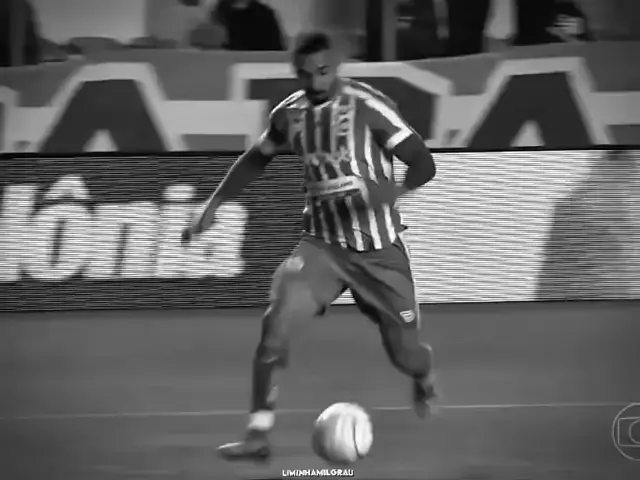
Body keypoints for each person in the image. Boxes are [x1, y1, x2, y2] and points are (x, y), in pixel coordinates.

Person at [181, 31, 438, 462]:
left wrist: (389, 194)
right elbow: (257, 157)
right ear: (296, 73)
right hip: (322, 247)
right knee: (276, 321)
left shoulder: (368, 106)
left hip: (379, 251)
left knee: (405, 354)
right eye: (306, 74)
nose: (316, 81)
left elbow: (424, 164)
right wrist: (214, 205)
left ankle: (423, 375)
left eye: (323, 71)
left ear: (336, 66)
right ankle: (258, 435)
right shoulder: (289, 114)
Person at [211, 0, 285, 51]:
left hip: (259, 64)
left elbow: (276, 50)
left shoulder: (265, 13)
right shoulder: (219, 12)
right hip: (224, 63)